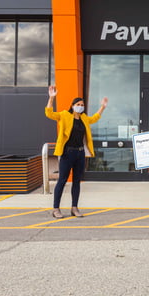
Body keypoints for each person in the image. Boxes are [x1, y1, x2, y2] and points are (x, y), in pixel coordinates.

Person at [45, 85, 108, 219]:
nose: (80, 106)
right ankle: (56, 209)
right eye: (78, 104)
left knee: (77, 181)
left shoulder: (84, 118)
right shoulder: (64, 115)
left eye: (82, 105)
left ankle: (74, 208)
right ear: (73, 105)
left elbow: (94, 118)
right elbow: (49, 113)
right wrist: (51, 98)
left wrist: (102, 107)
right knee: (62, 180)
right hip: (67, 153)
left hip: (80, 154)